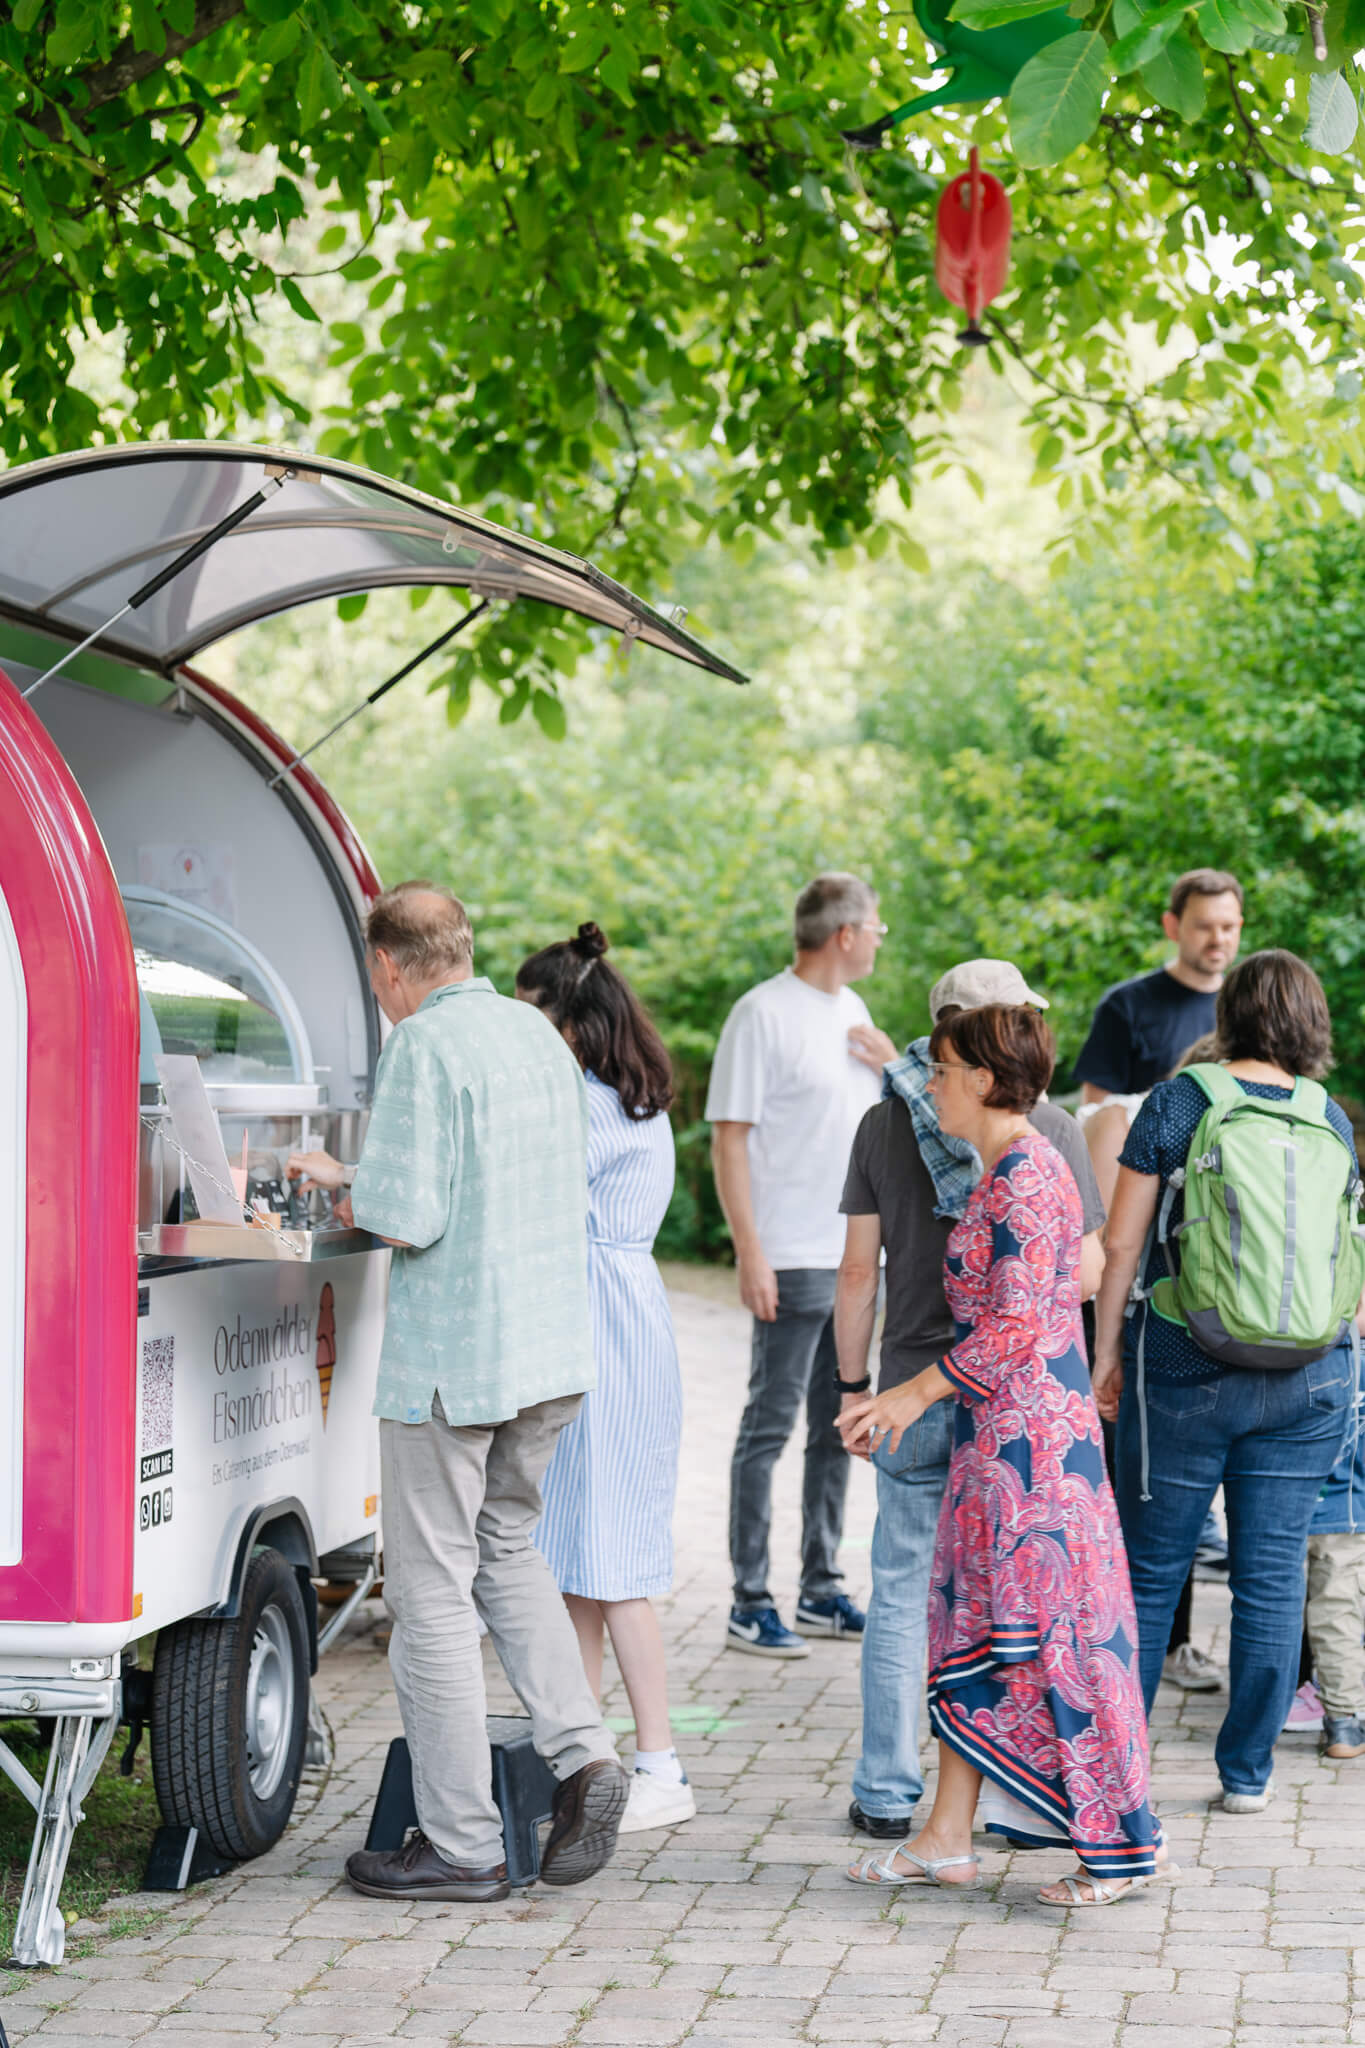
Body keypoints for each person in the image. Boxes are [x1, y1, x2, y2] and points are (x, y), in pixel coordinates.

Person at [287, 882, 627, 1901]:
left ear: (388, 965)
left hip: (455, 1358)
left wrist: (342, 1180)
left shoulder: (420, 1048)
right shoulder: (536, 1033)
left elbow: (409, 1215)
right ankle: (586, 1754)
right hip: (548, 1349)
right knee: (507, 1546)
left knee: (428, 1587)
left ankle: (462, 1840)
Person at [838, 1005, 1163, 1906]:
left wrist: (904, 1393)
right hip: (1002, 1445)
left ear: (982, 1080)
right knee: (977, 1636)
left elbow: (1018, 1324)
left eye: (939, 1069)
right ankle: (945, 1837)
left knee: (1063, 1643)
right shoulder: (1005, 1168)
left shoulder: (1025, 1173)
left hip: (1034, 1457)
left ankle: (1121, 1848)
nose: (928, 1083)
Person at [1093, 949, 1357, 1814]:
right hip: (1309, 1379)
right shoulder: (1330, 1118)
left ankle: (1116, 1777)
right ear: (1309, 1024)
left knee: (1151, 1572)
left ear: (1230, 1014)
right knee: (1271, 1576)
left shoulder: (1179, 1101)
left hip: (1182, 1367)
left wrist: (1104, 1357)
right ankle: (1245, 1776)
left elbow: (1122, 1246)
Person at [516, 922, 696, 1834]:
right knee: (580, 1562)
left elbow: (522, 1194)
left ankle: (658, 1763)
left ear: (572, 1024)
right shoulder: (631, 1098)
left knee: (608, 1562)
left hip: (598, 1327)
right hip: (622, 1317)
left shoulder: (584, 1106)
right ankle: (580, 1756)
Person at [706, 872, 886, 1656]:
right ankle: (750, 1598)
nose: (881, 935)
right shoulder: (760, 1013)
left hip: (852, 1259)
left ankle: (821, 1589)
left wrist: (890, 1065)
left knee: (839, 1428)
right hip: (788, 1255)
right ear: (844, 934)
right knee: (767, 1429)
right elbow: (729, 1137)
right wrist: (750, 1251)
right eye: (875, 925)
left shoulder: (854, 1014)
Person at [1074, 867, 1244, 1110]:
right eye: (1204, 927)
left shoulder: (1251, 1008)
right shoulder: (1125, 1006)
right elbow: (1094, 1113)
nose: (1218, 939)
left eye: (1228, 927)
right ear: (1172, 926)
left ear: (1240, 926)